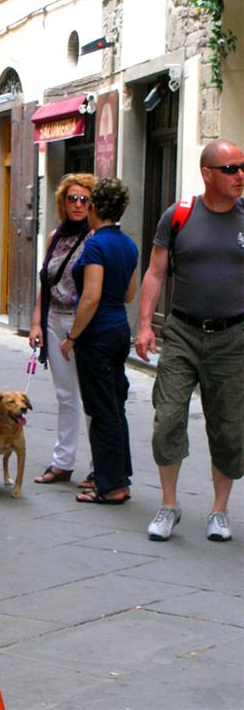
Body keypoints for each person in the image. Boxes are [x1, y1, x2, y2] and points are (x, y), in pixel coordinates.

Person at [136, 139, 244, 543]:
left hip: (233, 336)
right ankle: (169, 505)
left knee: (231, 429)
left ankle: (219, 511)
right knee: (167, 420)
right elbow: (155, 273)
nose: (239, 175)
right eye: (230, 168)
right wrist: (145, 326)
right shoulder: (178, 216)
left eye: (241, 167)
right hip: (181, 333)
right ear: (207, 174)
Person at [60, 179, 138, 506]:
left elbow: (90, 298)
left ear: (94, 207)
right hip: (120, 327)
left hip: (98, 334)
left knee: (101, 409)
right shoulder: (129, 244)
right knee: (115, 405)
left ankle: (110, 486)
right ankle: (120, 476)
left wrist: (71, 336)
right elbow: (129, 294)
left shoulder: (95, 245)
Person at [29, 173, 96, 485]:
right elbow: (45, 281)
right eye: (73, 198)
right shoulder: (55, 236)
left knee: (92, 397)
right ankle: (63, 461)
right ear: (63, 202)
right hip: (54, 320)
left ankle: (100, 465)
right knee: (64, 395)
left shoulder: (95, 237)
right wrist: (36, 322)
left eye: (85, 199)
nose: (79, 204)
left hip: (82, 323)